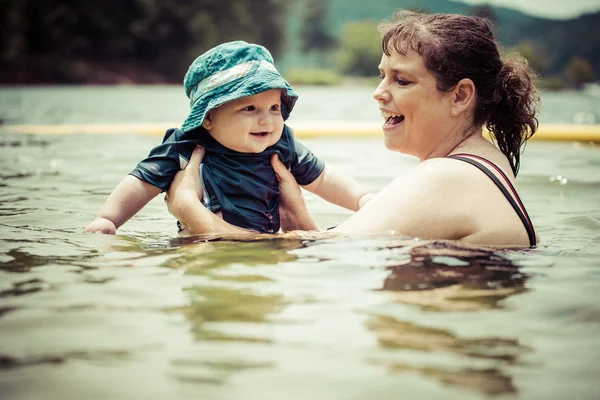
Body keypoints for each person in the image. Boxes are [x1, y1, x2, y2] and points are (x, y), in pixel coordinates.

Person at [168, 11, 540, 247]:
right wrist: (302, 224)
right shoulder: (486, 165)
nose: (379, 93)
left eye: (402, 81)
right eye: (382, 77)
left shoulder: (444, 177)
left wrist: (189, 207)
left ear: (460, 96)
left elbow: (302, 260)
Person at [85, 41, 371, 235]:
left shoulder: (282, 144)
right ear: (207, 117)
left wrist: (361, 200)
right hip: (201, 242)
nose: (267, 119)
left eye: (274, 108)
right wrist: (108, 219)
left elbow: (323, 178)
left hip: (262, 243)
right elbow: (140, 183)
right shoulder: (186, 145)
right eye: (249, 108)